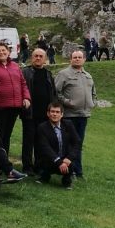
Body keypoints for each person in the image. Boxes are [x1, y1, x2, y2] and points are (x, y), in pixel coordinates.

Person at [55, 50, 96, 179]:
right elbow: (56, 92)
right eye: (74, 57)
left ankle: (78, 171)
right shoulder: (63, 74)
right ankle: (68, 170)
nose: (77, 59)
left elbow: (93, 92)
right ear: (70, 59)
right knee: (69, 143)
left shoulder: (88, 75)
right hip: (69, 115)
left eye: (79, 57)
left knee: (79, 143)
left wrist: (92, 103)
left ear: (84, 59)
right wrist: (68, 102)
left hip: (83, 115)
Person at [0, 41, 31, 154]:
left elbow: (22, 83)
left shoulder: (15, 66)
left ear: (8, 52)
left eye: (3, 50)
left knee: (7, 136)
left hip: (14, 106)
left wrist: (26, 97)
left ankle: (4, 162)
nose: (1, 52)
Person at [21, 48, 57, 175]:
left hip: (45, 114)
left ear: (45, 59)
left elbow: (53, 93)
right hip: (30, 113)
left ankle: (39, 165)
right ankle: (27, 166)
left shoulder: (48, 74)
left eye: (40, 56)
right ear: (31, 57)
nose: (38, 58)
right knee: (28, 141)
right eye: (35, 56)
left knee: (41, 141)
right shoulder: (25, 72)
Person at [36, 102, 80, 189]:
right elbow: (45, 148)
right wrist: (59, 162)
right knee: (45, 159)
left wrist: (69, 158)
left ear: (62, 114)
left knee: (70, 163)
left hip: (65, 159)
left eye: (57, 112)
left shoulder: (68, 124)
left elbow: (77, 143)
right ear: (48, 114)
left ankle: (67, 181)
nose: (54, 114)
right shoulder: (42, 127)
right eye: (52, 112)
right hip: (49, 159)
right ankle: (45, 176)